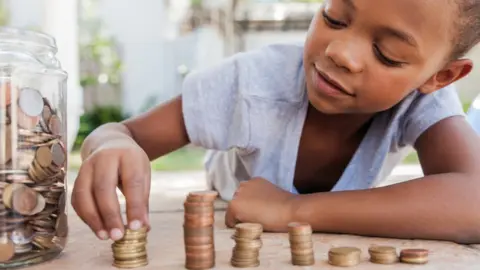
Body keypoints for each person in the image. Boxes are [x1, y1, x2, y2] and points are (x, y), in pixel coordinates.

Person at [71, 0, 480, 244]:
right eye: (335, 16)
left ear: (438, 76)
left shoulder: (422, 100)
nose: (340, 52)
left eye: (387, 53)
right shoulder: (250, 84)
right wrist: (111, 145)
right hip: (230, 191)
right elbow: (121, 133)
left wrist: (293, 209)